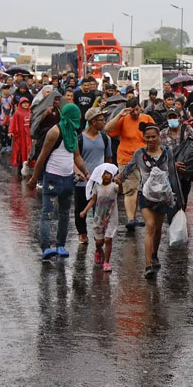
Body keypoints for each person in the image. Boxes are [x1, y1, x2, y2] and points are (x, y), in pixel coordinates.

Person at [120, 122, 184, 279]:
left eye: (153, 137)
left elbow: (172, 174)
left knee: (157, 229)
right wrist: (118, 178)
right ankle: (148, 264)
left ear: (159, 137)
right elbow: (129, 167)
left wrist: (179, 198)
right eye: (147, 137)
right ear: (143, 138)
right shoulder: (139, 154)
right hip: (145, 196)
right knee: (150, 226)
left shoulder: (167, 153)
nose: (150, 140)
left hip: (163, 197)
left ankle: (154, 254)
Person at [27, 104, 90, 260]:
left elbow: (76, 157)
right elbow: (42, 156)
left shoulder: (73, 133)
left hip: (68, 179)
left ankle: (61, 245)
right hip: (52, 178)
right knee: (47, 214)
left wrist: (86, 172)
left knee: (64, 214)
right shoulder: (55, 132)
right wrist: (34, 178)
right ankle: (46, 247)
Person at [104, 98, 155, 231]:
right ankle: (130, 219)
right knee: (130, 190)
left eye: (137, 109)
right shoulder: (123, 119)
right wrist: (120, 115)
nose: (135, 113)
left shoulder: (147, 118)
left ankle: (134, 217)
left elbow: (155, 135)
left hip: (144, 159)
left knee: (141, 189)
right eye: (132, 110)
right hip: (126, 159)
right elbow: (107, 129)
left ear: (140, 108)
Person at [75, 107, 113, 245]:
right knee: (80, 208)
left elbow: (108, 158)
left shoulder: (105, 138)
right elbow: (75, 158)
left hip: (100, 182)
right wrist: (79, 173)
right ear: (92, 122)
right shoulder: (79, 138)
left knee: (100, 209)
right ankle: (82, 233)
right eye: (101, 120)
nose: (104, 123)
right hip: (83, 181)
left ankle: (99, 233)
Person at [159, 108, 193, 206]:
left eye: (174, 117)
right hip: (169, 170)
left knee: (184, 195)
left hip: (184, 170)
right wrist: (173, 165)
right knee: (170, 195)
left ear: (179, 118)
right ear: (167, 119)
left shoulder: (186, 129)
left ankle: (182, 212)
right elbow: (159, 154)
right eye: (170, 117)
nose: (172, 119)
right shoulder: (162, 134)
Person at [80, 164, 120, 272]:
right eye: (104, 174)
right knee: (99, 241)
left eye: (108, 174)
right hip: (99, 217)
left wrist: (120, 181)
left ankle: (106, 262)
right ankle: (98, 249)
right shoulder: (97, 187)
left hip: (111, 217)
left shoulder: (114, 186)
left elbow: (121, 188)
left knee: (108, 239)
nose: (106, 176)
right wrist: (85, 211)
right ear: (100, 176)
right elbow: (93, 200)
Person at [9, 98, 32, 175]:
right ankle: (20, 165)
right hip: (20, 136)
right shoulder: (17, 113)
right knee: (20, 151)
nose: (26, 104)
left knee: (29, 150)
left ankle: (28, 165)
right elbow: (13, 122)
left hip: (29, 136)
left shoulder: (31, 112)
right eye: (24, 103)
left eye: (27, 103)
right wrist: (11, 131)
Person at [0, 84, 13, 151]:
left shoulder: (12, 97)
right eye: (5, 89)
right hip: (2, 117)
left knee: (9, 131)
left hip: (10, 117)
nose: (7, 91)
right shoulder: (0, 98)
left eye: (8, 89)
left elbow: (14, 106)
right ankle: (3, 145)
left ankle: (9, 145)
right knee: (2, 132)